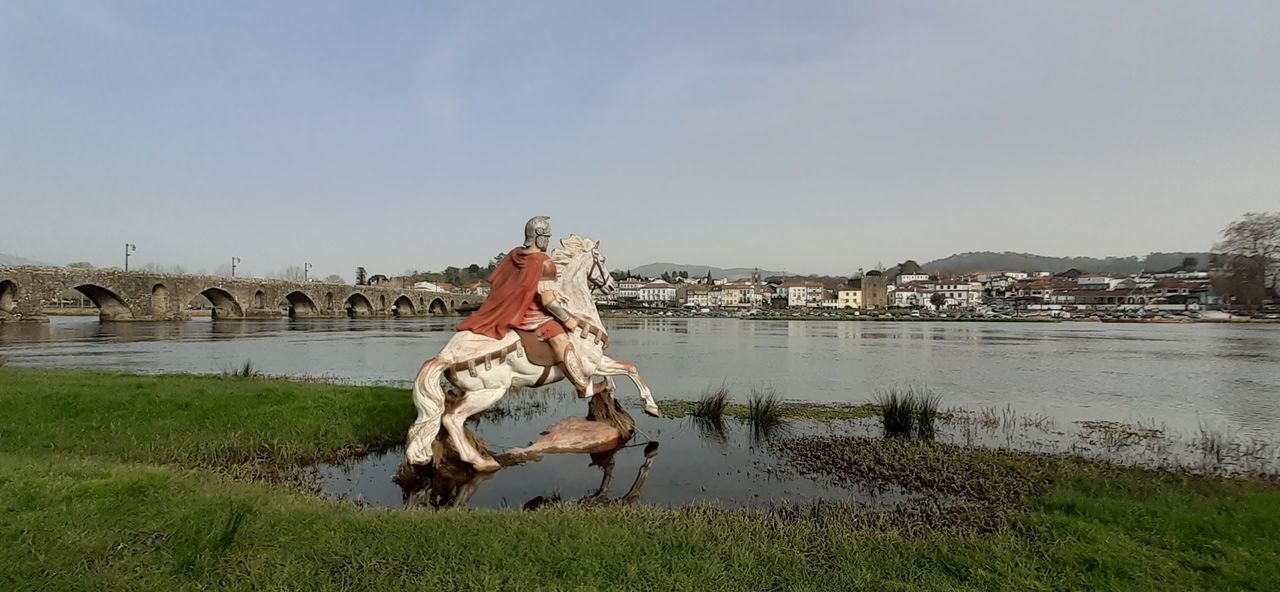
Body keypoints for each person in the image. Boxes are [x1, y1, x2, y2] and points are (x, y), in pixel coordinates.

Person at [456, 216, 590, 396]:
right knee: (561, 340)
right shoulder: (546, 262)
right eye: (547, 237)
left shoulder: (514, 255)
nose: (548, 241)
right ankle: (582, 386)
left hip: (511, 313)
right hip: (534, 318)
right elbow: (548, 301)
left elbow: (502, 285)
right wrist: (568, 319)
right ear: (539, 236)